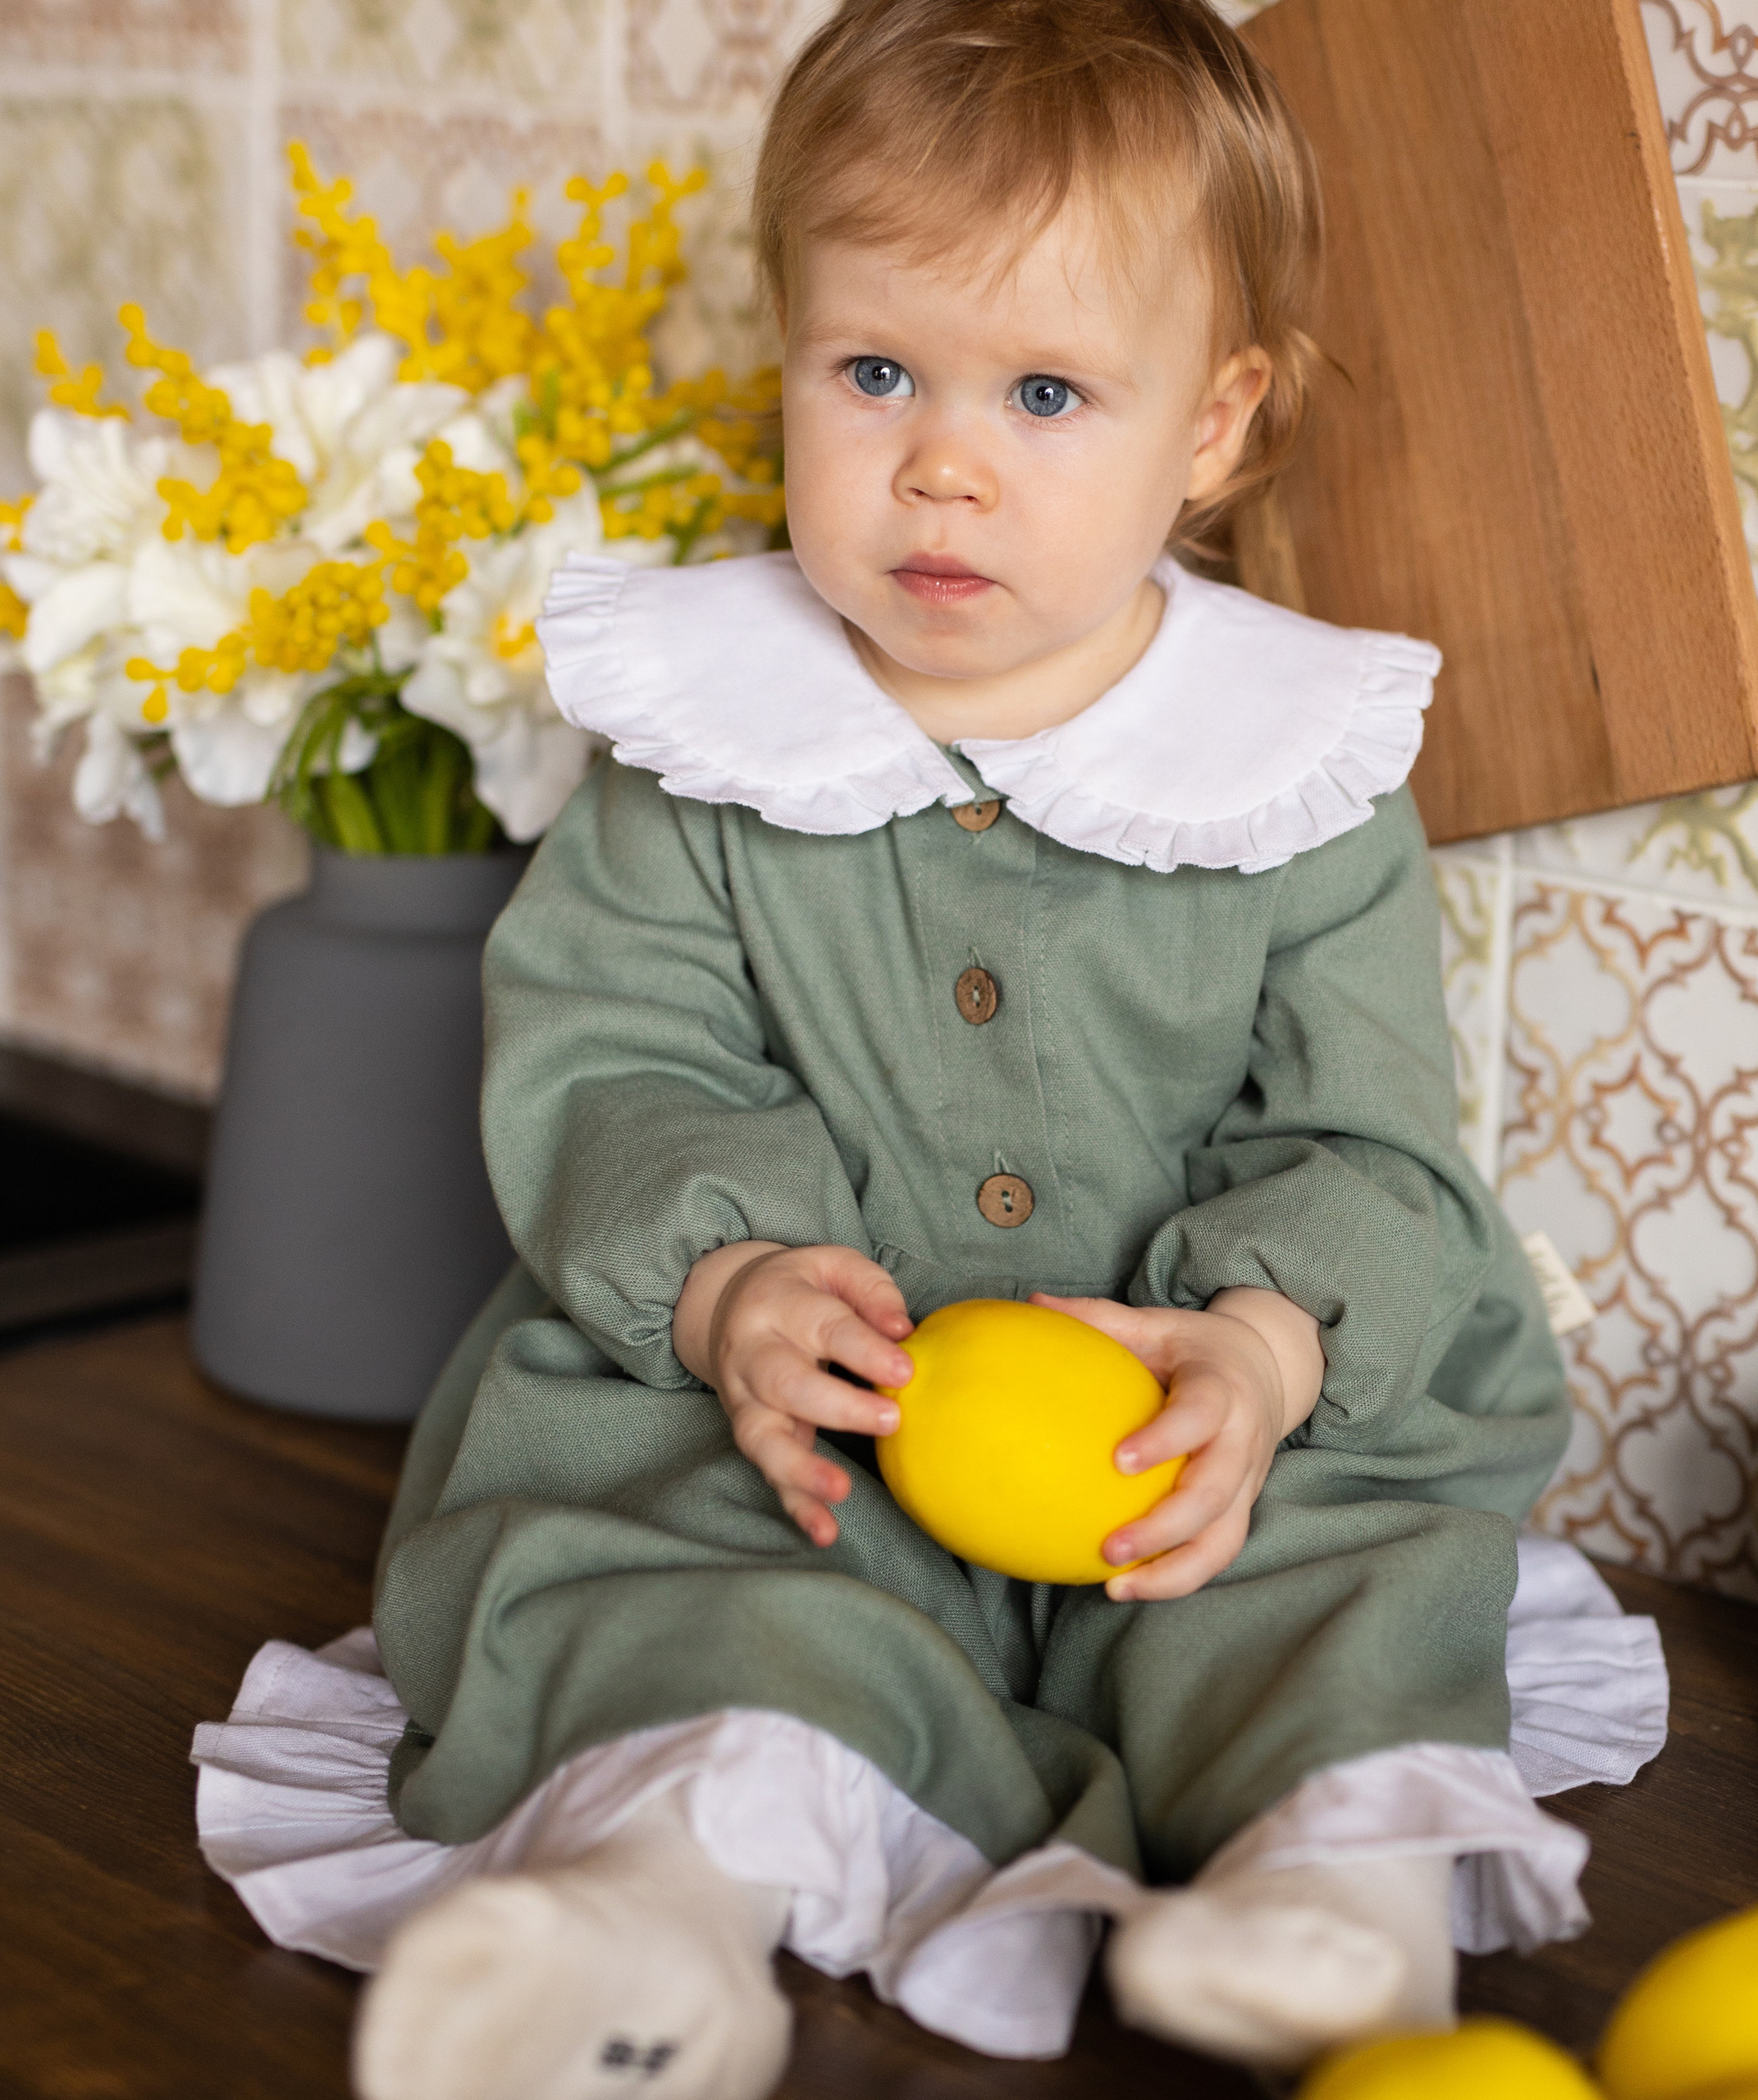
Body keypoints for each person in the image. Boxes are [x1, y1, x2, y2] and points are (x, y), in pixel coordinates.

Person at [331, 0, 1587, 2092]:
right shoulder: (702, 742)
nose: (940, 458)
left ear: (1213, 425)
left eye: (1044, 391)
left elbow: (1369, 1139)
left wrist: (1263, 1351)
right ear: (790, 353)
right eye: (874, 371)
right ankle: (655, 1916)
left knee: (1333, 1574)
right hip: (806, 1419)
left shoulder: (1296, 768)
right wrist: (728, 1286)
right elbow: (614, 1055)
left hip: (1189, 1428)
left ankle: (1334, 1895)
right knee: (686, 1570)